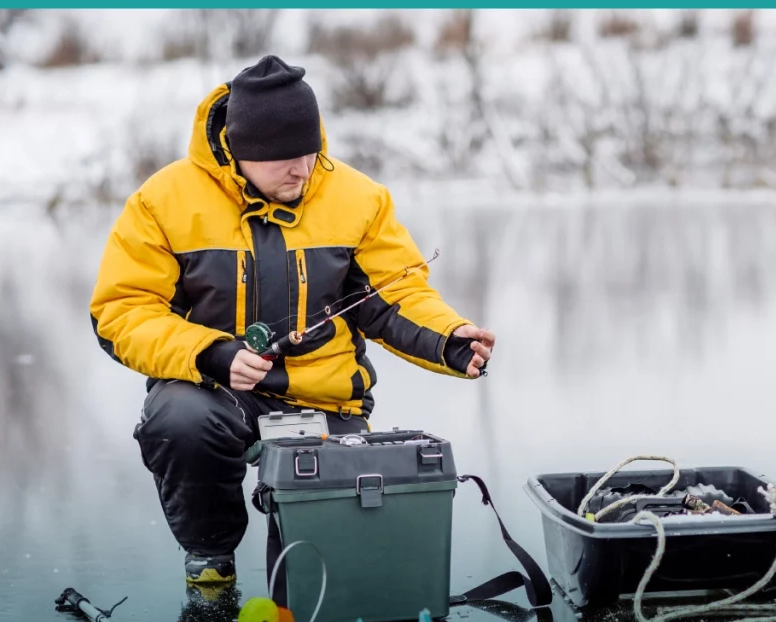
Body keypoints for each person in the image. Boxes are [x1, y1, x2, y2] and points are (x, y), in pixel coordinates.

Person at [89, 55, 495, 585]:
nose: (302, 169)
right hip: (217, 392)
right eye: (284, 158)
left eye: (310, 152)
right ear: (240, 151)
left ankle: (307, 586)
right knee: (179, 421)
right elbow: (122, 311)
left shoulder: (358, 197)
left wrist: (448, 339)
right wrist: (210, 355)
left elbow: (396, 295)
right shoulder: (162, 202)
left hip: (326, 399)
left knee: (318, 577)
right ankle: (210, 558)